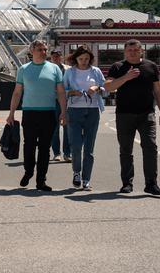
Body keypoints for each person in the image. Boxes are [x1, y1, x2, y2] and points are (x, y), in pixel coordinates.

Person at [104, 39, 160, 196]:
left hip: (147, 114)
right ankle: (127, 183)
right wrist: (126, 77)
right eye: (129, 50)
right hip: (124, 114)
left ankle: (151, 184)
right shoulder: (118, 67)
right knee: (126, 150)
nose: (132, 52)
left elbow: (158, 91)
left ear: (141, 51)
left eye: (135, 50)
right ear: (124, 52)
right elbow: (108, 87)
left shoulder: (151, 66)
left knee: (150, 148)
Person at [6, 40, 66, 191]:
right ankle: (28, 172)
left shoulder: (54, 69)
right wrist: (11, 113)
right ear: (31, 51)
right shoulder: (24, 69)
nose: (43, 52)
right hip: (30, 113)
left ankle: (41, 180)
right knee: (29, 145)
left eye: (45, 49)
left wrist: (64, 112)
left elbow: (60, 92)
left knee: (45, 148)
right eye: (40, 49)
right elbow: (17, 92)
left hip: (48, 113)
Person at [63, 46, 106, 191]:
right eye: (81, 59)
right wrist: (72, 92)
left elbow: (105, 89)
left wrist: (97, 89)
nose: (84, 61)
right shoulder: (69, 72)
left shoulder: (96, 71)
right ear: (75, 58)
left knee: (89, 148)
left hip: (93, 111)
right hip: (74, 110)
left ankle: (86, 179)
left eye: (87, 59)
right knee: (75, 145)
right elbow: (62, 91)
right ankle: (76, 172)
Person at [49, 49, 71, 162]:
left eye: (58, 56)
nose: (56, 58)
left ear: (61, 57)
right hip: (53, 101)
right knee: (54, 128)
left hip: (67, 101)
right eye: (54, 56)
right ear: (51, 57)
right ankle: (56, 153)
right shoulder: (47, 68)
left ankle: (67, 153)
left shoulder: (68, 69)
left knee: (68, 128)